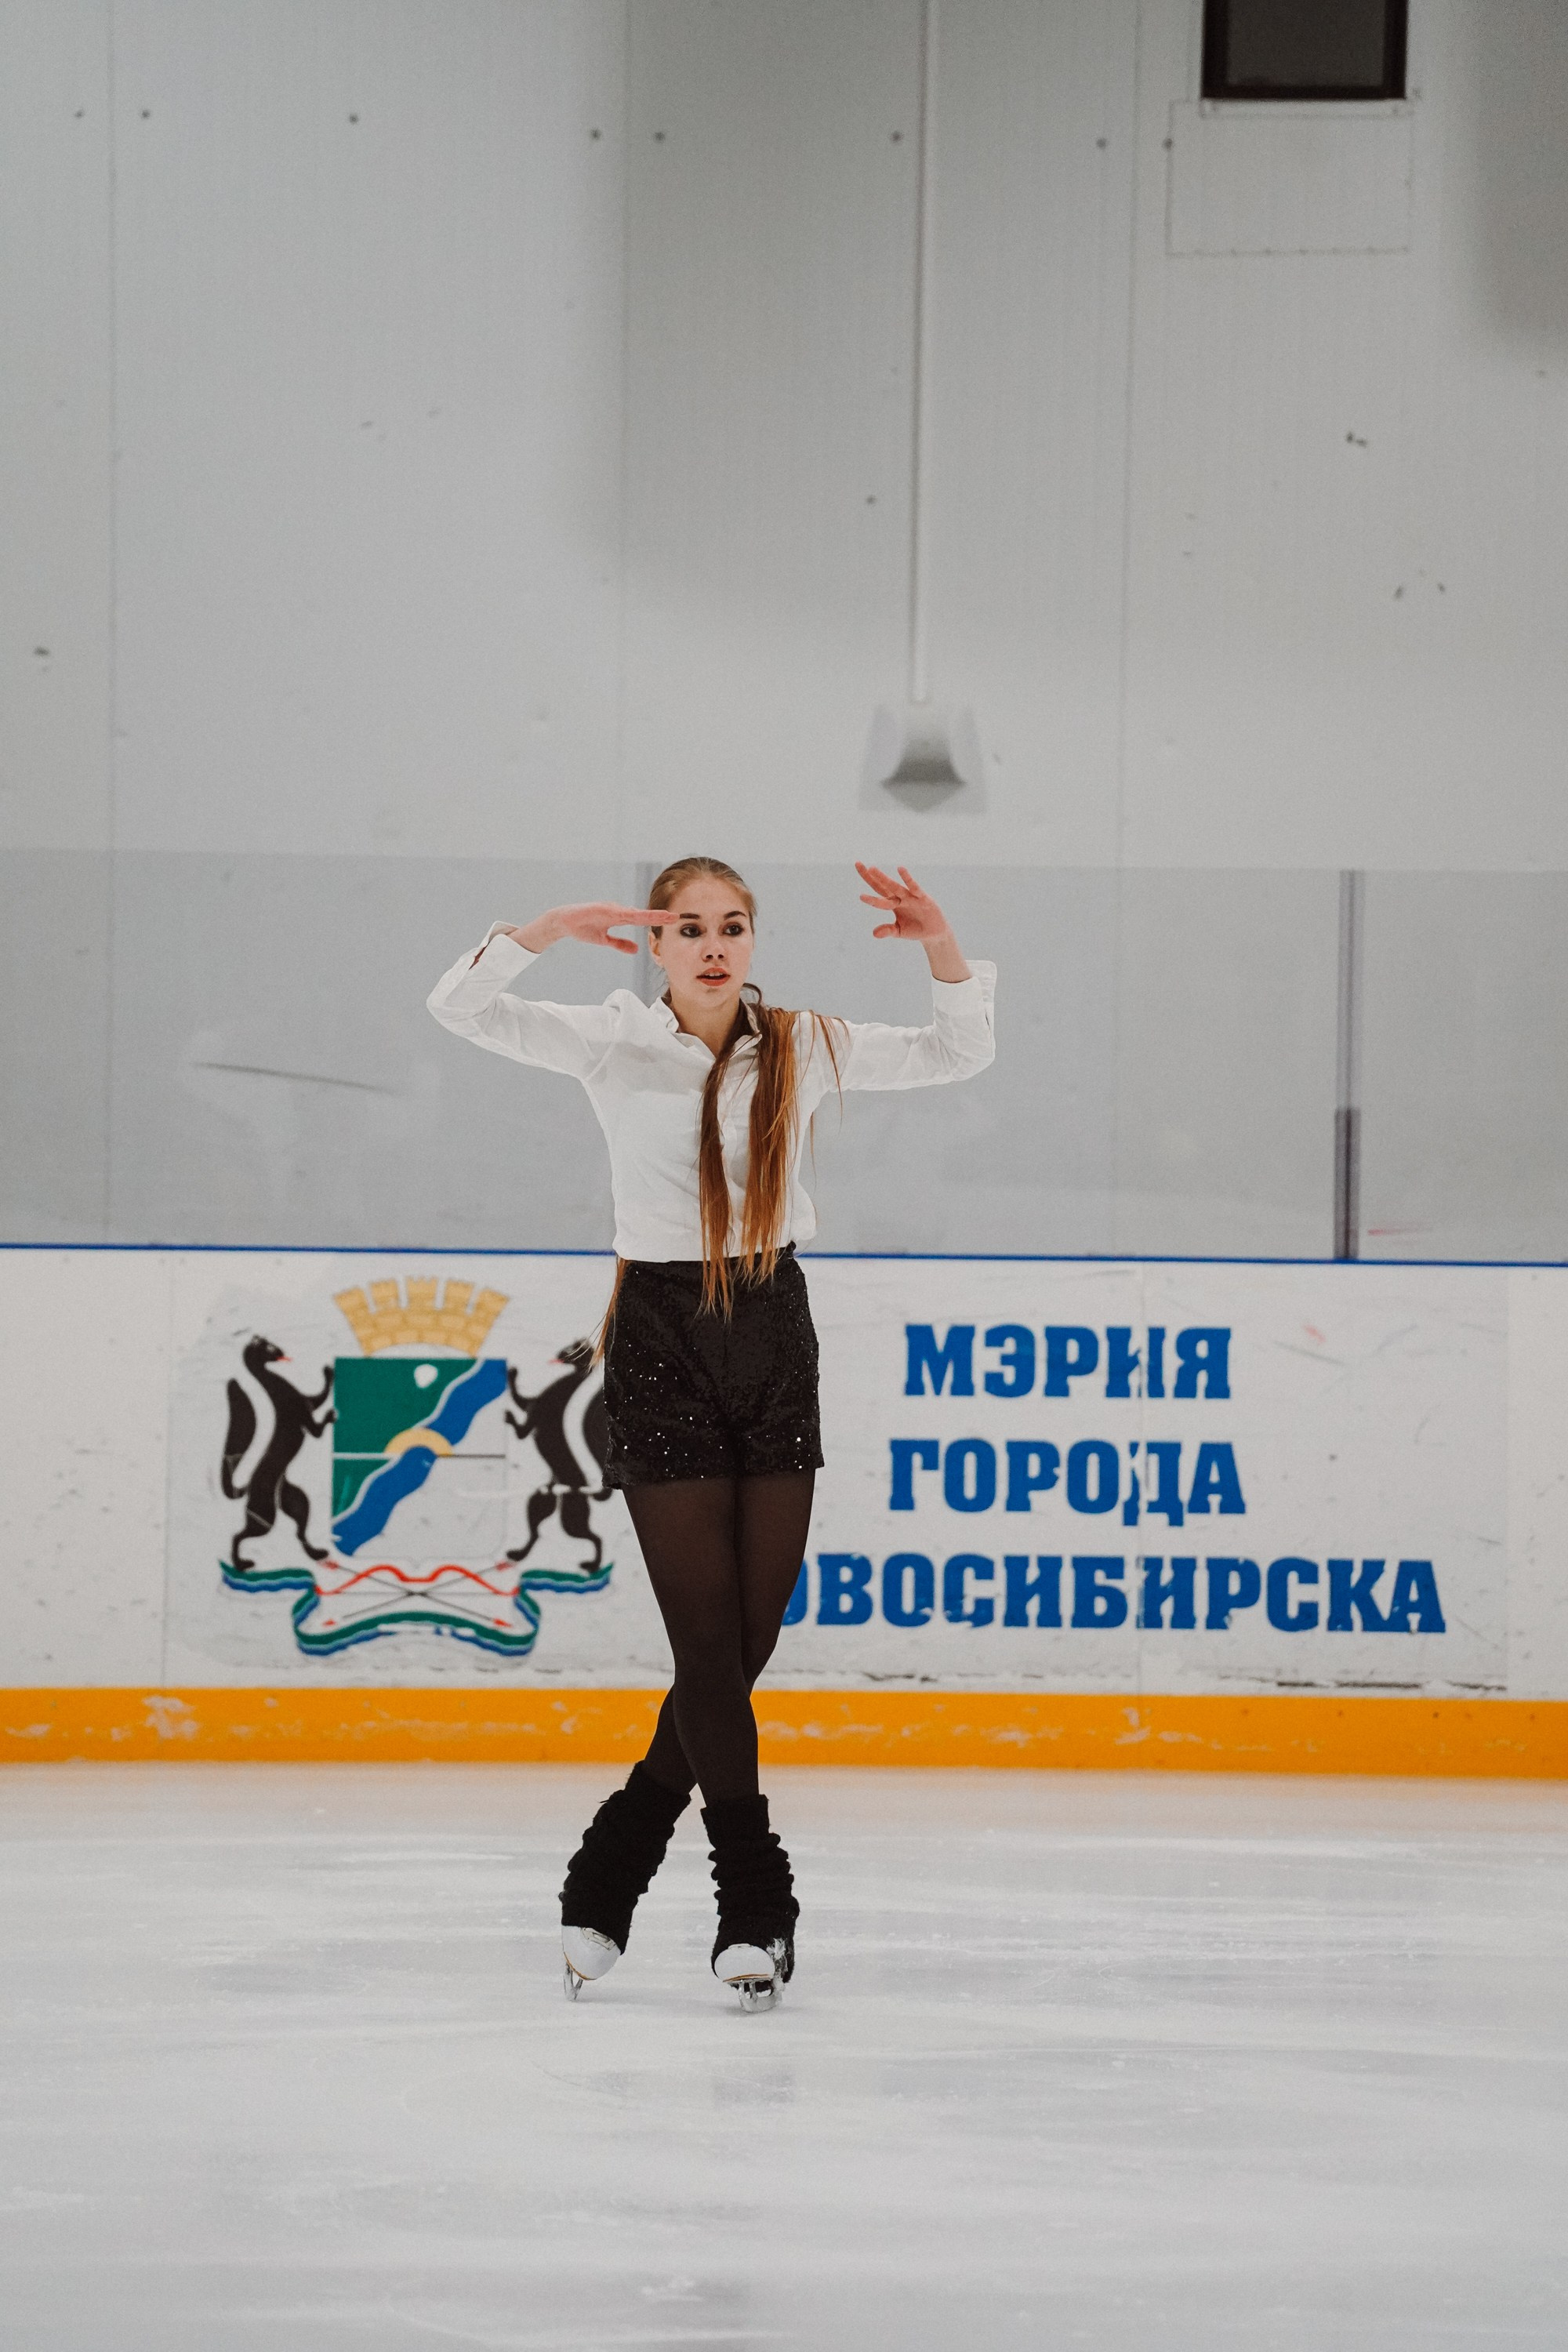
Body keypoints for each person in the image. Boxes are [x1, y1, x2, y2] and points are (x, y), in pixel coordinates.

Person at [427, 858, 995, 2006]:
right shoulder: (611, 1041)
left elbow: (956, 1052)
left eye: (732, 926)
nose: (713, 945)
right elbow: (461, 1008)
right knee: (707, 1648)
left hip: (772, 1330)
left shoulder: (803, 1043)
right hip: (659, 1334)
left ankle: (621, 1848)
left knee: (746, 1640)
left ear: (753, 938)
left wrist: (941, 944)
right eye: (688, 927)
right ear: (657, 944)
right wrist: (540, 930)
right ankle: (755, 1901)